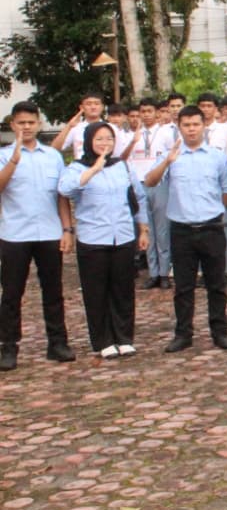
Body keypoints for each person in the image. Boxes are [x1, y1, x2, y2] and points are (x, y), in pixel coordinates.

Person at [144, 105, 227, 352]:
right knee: (183, 287)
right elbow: (150, 181)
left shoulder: (217, 156)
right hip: (181, 229)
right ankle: (183, 334)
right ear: (179, 127)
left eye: (196, 124)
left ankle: (220, 332)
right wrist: (167, 161)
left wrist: (215, 210)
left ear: (204, 126)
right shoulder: (171, 155)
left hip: (211, 227)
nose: (192, 129)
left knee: (216, 285)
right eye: (186, 125)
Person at [58, 122, 150, 359]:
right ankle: (103, 340)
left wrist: (143, 229)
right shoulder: (76, 167)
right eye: (99, 139)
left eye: (109, 138)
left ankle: (124, 338)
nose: (104, 143)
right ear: (89, 141)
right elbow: (65, 190)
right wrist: (92, 170)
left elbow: (137, 197)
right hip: (93, 237)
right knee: (96, 291)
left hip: (123, 235)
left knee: (123, 289)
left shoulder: (121, 165)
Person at [0, 102, 76, 370]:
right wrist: (14, 160)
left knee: (53, 290)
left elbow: (61, 196)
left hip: (49, 231)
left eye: (31, 122)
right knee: (12, 293)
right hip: (15, 233)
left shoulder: (52, 156)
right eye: (21, 123)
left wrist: (67, 229)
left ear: (39, 123)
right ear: (12, 125)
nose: (27, 127)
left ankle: (57, 342)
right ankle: (8, 346)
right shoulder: (4, 155)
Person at [127, 97, 175, 290]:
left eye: (149, 111)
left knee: (162, 229)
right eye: (143, 112)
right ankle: (153, 273)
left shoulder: (165, 133)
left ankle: (164, 273)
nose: (146, 115)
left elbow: (172, 157)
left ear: (157, 113)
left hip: (159, 183)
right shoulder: (133, 135)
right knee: (146, 230)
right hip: (138, 185)